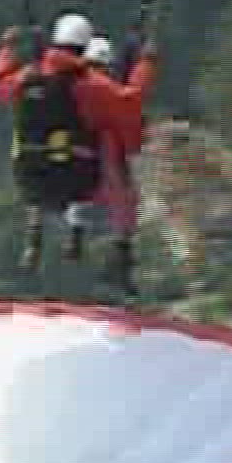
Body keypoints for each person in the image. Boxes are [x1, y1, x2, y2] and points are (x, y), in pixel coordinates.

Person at [0, 12, 158, 285]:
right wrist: (145, 63)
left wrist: (7, 48)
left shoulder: (24, 79)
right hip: (76, 180)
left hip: (29, 180)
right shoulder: (90, 86)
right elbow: (131, 102)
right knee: (110, 150)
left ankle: (37, 234)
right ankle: (120, 252)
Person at [83, 35, 143, 288]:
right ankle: (118, 264)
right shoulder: (106, 90)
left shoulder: (70, 85)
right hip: (105, 157)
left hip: (78, 161)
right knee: (123, 204)